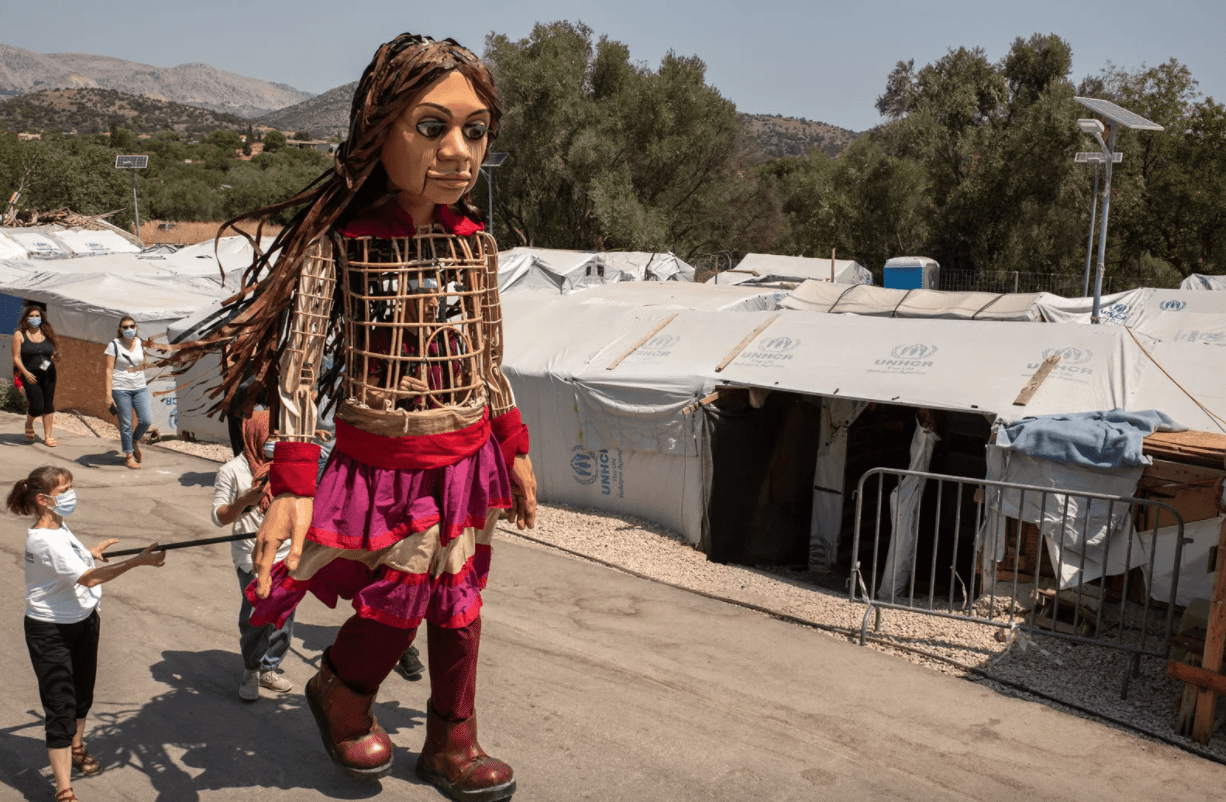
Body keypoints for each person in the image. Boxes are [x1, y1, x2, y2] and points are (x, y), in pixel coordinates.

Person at [167, 33, 536, 801]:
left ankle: (452, 741)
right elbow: (301, 367)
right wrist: (295, 479)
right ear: (380, 131)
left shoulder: (477, 248)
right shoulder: (339, 248)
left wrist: (514, 443)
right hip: (383, 461)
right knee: (400, 600)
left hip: (469, 460)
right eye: (431, 127)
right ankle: (341, 688)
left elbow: (487, 358)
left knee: (460, 606)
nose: (459, 152)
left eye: (475, 131)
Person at [9, 465, 166, 802]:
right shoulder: (43, 539)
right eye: (64, 490)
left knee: (82, 695)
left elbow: (71, 561)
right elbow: (89, 578)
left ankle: (76, 746)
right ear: (43, 499)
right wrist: (137, 562)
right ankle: (64, 790)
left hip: (83, 621)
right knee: (60, 707)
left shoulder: (59, 525)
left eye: (70, 487)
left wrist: (89, 553)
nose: (71, 495)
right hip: (50, 632)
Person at [211, 410, 295, 701]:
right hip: (251, 556)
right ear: (254, 435)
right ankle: (251, 669)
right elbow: (220, 518)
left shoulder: (288, 465)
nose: (276, 443)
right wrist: (245, 501)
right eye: (271, 437)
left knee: (284, 615)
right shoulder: (232, 471)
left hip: (286, 553)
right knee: (257, 616)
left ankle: (269, 667)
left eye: (280, 437)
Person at [103, 315, 152, 470]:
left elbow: (143, 364)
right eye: (125, 327)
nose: (129, 329)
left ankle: (135, 441)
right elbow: (108, 370)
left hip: (140, 387)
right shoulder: (114, 345)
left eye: (132, 326)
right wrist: (108, 395)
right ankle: (129, 456)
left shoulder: (141, 343)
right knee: (126, 424)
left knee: (146, 420)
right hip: (120, 388)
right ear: (120, 329)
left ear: (136, 328)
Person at [12, 305, 62, 446]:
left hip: (49, 373)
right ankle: (29, 423)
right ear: (26, 318)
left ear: (41, 318)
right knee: (37, 406)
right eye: (31, 316)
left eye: (37, 316)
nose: (35, 318)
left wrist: (55, 357)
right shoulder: (19, 335)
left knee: (48, 405)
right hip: (30, 375)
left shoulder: (47, 333)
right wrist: (25, 373)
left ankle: (48, 437)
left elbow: (49, 355)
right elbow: (16, 358)